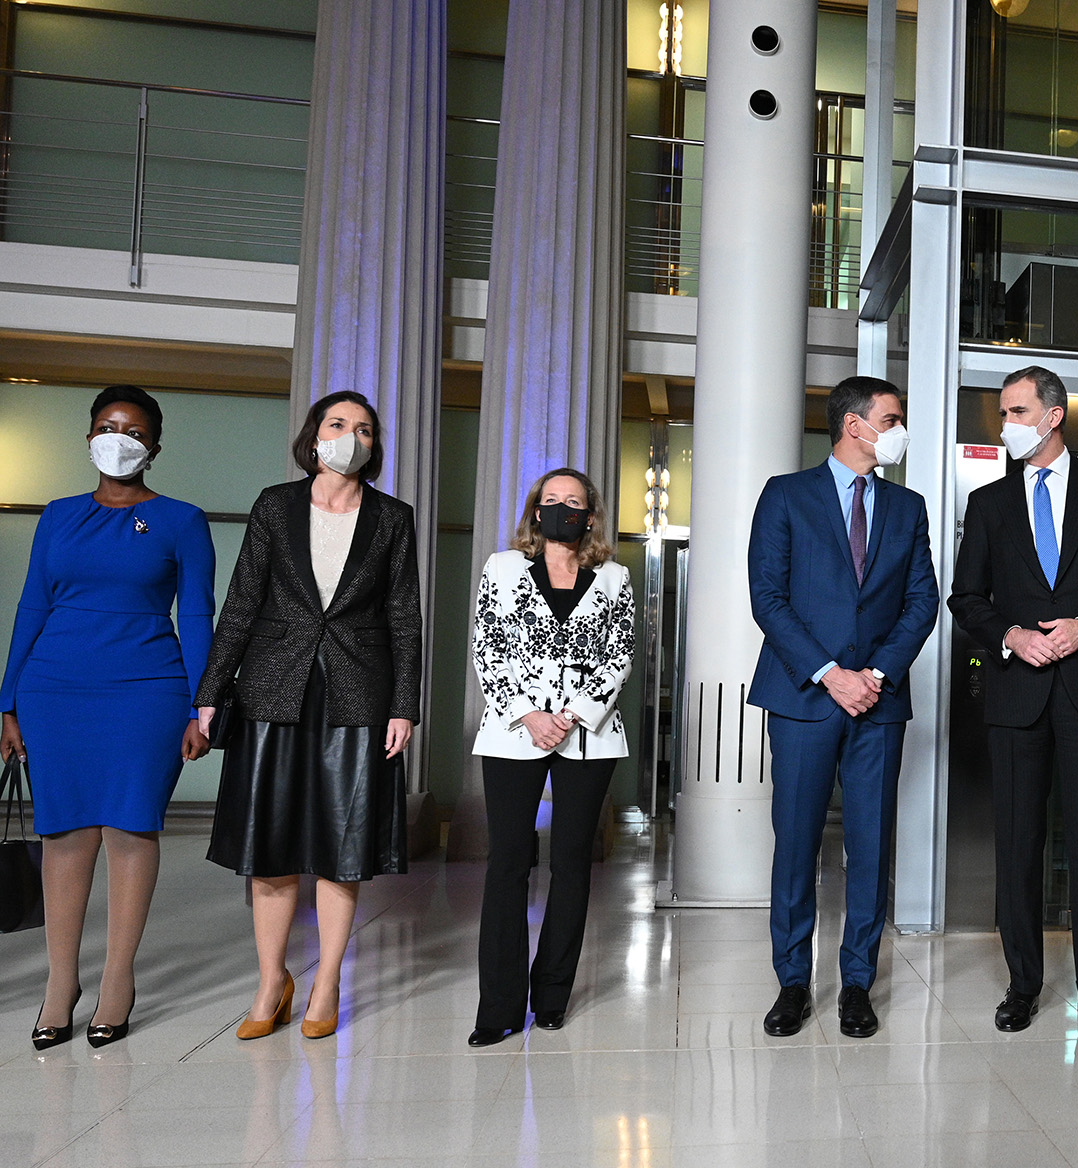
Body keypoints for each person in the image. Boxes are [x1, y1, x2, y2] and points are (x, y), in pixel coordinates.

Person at [195, 390, 422, 1042]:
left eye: (364, 429)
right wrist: (211, 692)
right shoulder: (275, 505)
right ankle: (272, 980)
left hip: (359, 692)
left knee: (340, 851)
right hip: (273, 686)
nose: (350, 436)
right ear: (314, 435)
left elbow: (404, 619)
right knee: (269, 850)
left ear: (374, 447)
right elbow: (240, 604)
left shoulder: (391, 519)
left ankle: (326, 983)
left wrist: (404, 704)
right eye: (337, 424)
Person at [947, 365, 1078, 1034]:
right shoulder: (988, 504)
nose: (1006, 424)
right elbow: (966, 597)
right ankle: (1022, 985)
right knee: (1017, 844)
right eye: (1003, 414)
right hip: (1016, 695)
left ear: (1053, 414)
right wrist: (1008, 634)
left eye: (1015, 411)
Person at [2, 386, 214, 1050]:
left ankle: (117, 981)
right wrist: (7, 700)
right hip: (54, 689)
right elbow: (31, 607)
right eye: (106, 425)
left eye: (132, 429)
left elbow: (200, 614)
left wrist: (203, 705)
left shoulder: (182, 519)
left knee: (129, 828)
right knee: (63, 836)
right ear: (88, 436)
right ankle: (60, 986)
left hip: (147, 689)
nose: (117, 437)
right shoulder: (59, 516)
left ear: (154, 445)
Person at [747, 375, 939, 1039]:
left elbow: (922, 603)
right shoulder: (786, 495)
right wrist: (832, 674)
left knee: (870, 846)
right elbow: (767, 598)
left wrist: (877, 673)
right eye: (892, 418)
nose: (897, 429)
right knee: (796, 845)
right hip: (804, 698)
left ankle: (857, 981)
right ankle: (793, 983)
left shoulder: (907, 508)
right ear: (855, 425)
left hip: (878, 704)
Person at [467, 469, 635, 1047]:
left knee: (571, 864)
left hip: (590, 736)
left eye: (575, 502)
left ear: (591, 517)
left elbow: (621, 654)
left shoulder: (615, 578)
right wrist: (528, 714)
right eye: (552, 500)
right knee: (509, 862)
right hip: (514, 730)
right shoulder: (503, 568)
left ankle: (553, 997)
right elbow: (487, 645)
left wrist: (575, 714)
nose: (563, 509)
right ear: (536, 511)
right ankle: (499, 1007)